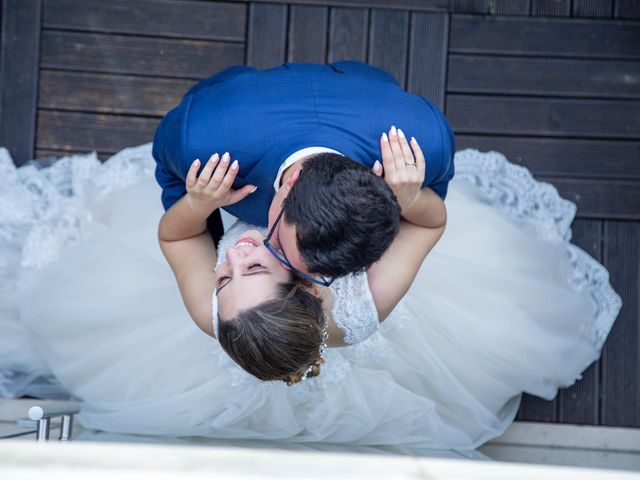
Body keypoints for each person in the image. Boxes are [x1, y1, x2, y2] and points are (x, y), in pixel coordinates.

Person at [0, 132, 621, 450]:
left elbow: (172, 240)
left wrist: (196, 209)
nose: (235, 254)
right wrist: (408, 196)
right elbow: (431, 222)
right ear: (309, 287)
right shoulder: (364, 306)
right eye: (250, 271)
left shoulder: (208, 315)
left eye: (223, 277)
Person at [153, 61, 454, 282]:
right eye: (280, 245)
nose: (279, 263)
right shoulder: (197, 139)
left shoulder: (430, 145)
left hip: (364, 89)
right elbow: (168, 168)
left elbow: (431, 197)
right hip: (235, 96)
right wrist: (200, 214)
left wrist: (410, 199)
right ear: (292, 184)